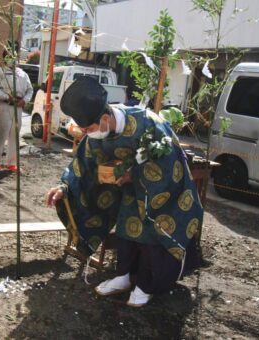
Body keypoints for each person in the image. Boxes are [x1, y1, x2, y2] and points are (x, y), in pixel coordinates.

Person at [46, 76, 203, 307]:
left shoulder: (148, 124)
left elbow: (171, 164)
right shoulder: (95, 133)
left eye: (89, 128)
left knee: (150, 234)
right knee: (126, 230)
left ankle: (146, 286)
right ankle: (123, 276)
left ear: (105, 118)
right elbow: (83, 165)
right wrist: (64, 187)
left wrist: (135, 174)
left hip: (162, 194)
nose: (87, 134)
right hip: (129, 193)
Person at [0, 43, 33, 172]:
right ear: (5, 57)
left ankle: (11, 162)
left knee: (15, 134)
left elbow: (30, 90)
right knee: (0, 134)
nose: (12, 58)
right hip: (4, 105)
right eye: (9, 56)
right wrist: (6, 97)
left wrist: (25, 100)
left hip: (18, 107)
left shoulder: (23, 74)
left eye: (14, 56)